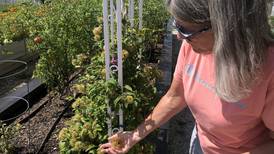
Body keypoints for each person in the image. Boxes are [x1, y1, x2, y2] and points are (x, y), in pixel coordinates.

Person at [100, 0, 274, 153]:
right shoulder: (192, 47)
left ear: (224, 26)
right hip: (200, 143)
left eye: (186, 30)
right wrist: (135, 135)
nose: (179, 36)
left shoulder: (268, 68)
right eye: (177, 25)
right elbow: (176, 95)